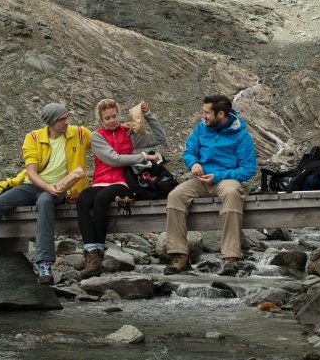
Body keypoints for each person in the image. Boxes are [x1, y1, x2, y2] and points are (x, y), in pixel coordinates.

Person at [0, 102, 91, 287]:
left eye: (67, 117)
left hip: (61, 187)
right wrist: (47, 187)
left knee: (44, 202)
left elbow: (105, 139)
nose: (67, 121)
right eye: (62, 119)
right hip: (33, 185)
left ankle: (44, 263)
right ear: (50, 122)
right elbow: (32, 172)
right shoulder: (33, 138)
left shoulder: (80, 133)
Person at [164, 94, 256, 276]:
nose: (203, 116)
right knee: (175, 196)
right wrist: (193, 164)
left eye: (207, 113)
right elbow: (190, 151)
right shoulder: (201, 128)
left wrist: (219, 175)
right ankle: (179, 257)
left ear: (220, 114)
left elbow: (248, 168)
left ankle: (231, 259)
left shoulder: (241, 135)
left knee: (232, 193)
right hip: (201, 180)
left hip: (225, 179)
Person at [76, 99, 167, 279]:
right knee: (83, 199)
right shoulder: (96, 136)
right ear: (101, 119)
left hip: (123, 183)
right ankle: (90, 251)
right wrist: (143, 156)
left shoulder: (128, 133)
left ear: (119, 114)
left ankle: (98, 254)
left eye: (114, 116)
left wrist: (147, 115)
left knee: (101, 199)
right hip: (101, 181)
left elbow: (160, 137)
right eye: (107, 118)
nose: (112, 120)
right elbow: (113, 159)